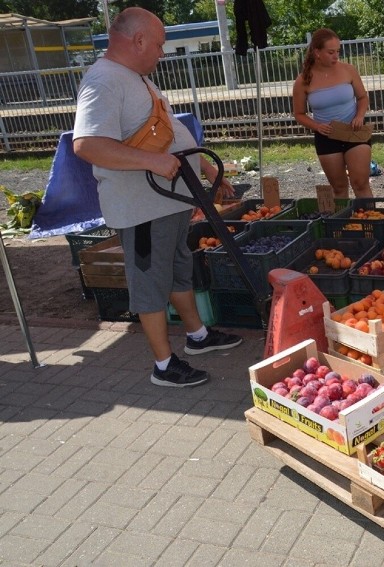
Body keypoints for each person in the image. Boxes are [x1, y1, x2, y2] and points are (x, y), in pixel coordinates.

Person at [73, 7, 243, 388]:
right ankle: (164, 366)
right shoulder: (103, 81)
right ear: (138, 41)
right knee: (150, 282)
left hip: (168, 203)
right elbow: (87, 145)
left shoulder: (132, 76)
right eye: (160, 45)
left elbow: (166, 131)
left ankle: (198, 336)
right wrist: (152, 161)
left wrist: (203, 166)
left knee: (177, 270)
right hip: (143, 209)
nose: (162, 54)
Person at [293, 28, 374, 199]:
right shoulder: (303, 80)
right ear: (317, 52)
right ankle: (343, 224)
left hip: (354, 131)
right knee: (338, 187)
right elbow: (299, 113)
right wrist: (317, 126)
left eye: (338, 51)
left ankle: (370, 222)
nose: (336, 56)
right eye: (331, 52)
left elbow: (362, 97)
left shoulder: (348, 70)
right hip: (327, 137)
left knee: (360, 183)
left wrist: (359, 116)